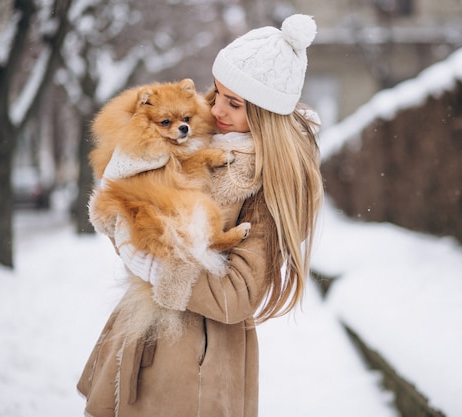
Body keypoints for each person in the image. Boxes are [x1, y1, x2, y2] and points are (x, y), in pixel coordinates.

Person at [77, 14, 323, 417]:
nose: (215, 107)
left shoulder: (271, 180)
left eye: (234, 103)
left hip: (199, 366)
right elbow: (141, 214)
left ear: (264, 114)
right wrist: (119, 208)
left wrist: (159, 269)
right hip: (138, 341)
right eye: (218, 92)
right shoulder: (193, 129)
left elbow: (238, 295)